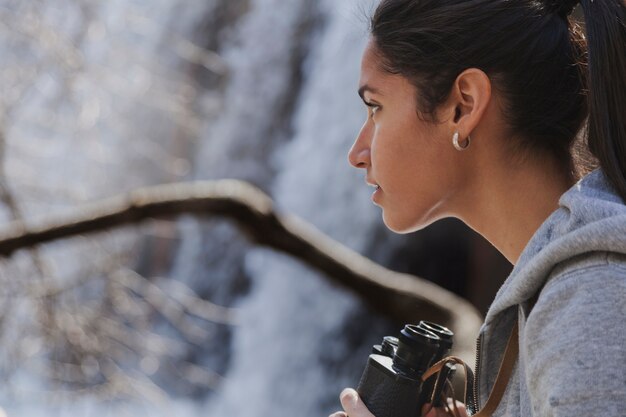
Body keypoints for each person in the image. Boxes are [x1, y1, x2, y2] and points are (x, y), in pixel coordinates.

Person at [329, 0, 626, 415]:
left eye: (375, 107)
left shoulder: (591, 302)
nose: (357, 153)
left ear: (464, 105)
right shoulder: (565, 294)